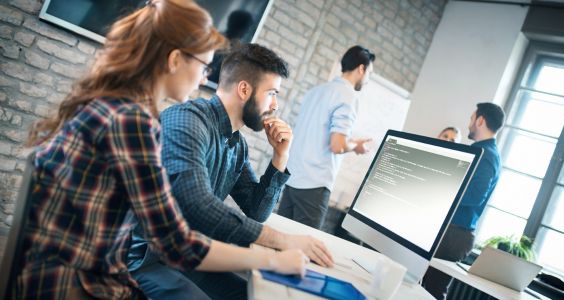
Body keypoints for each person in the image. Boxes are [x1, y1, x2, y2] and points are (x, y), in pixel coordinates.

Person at [13, 1, 307, 298]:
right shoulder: (136, 122)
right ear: (175, 60)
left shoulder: (120, 109)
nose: (205, 79)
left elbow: (182, 235)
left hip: (86, 268)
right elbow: (178, 238)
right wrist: (274, 256)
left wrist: (280, 157)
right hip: (81, 283)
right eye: (204, 67)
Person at [128, 43, 334, 300]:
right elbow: (198, 205)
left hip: (187, 255)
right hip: (145, 258)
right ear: (245, 89)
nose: (275, 105)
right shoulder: (186, 120)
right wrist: (283, 242)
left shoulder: (237, 145)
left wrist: (280, 157)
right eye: (272, 93)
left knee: (247, 294)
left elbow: (256, 210)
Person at [278, 45, 375, 229]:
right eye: (369, 73)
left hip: (292, 179)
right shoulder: (349, 96)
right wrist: (356, 146)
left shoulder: (316, 91)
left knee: (280, 242)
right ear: (361, 69)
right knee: (304, 250)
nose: (368, 79)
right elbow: (337, 145)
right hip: (314, 185)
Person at [422, 102, 505, 300]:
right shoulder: (484, 152)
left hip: (454, 233)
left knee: (431, 291)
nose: (469, 124)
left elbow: (476, 195)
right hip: (452, 230)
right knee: (423, 285)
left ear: (480, 120)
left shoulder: (485, 155)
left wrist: (443, 190)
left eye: (471, 118)